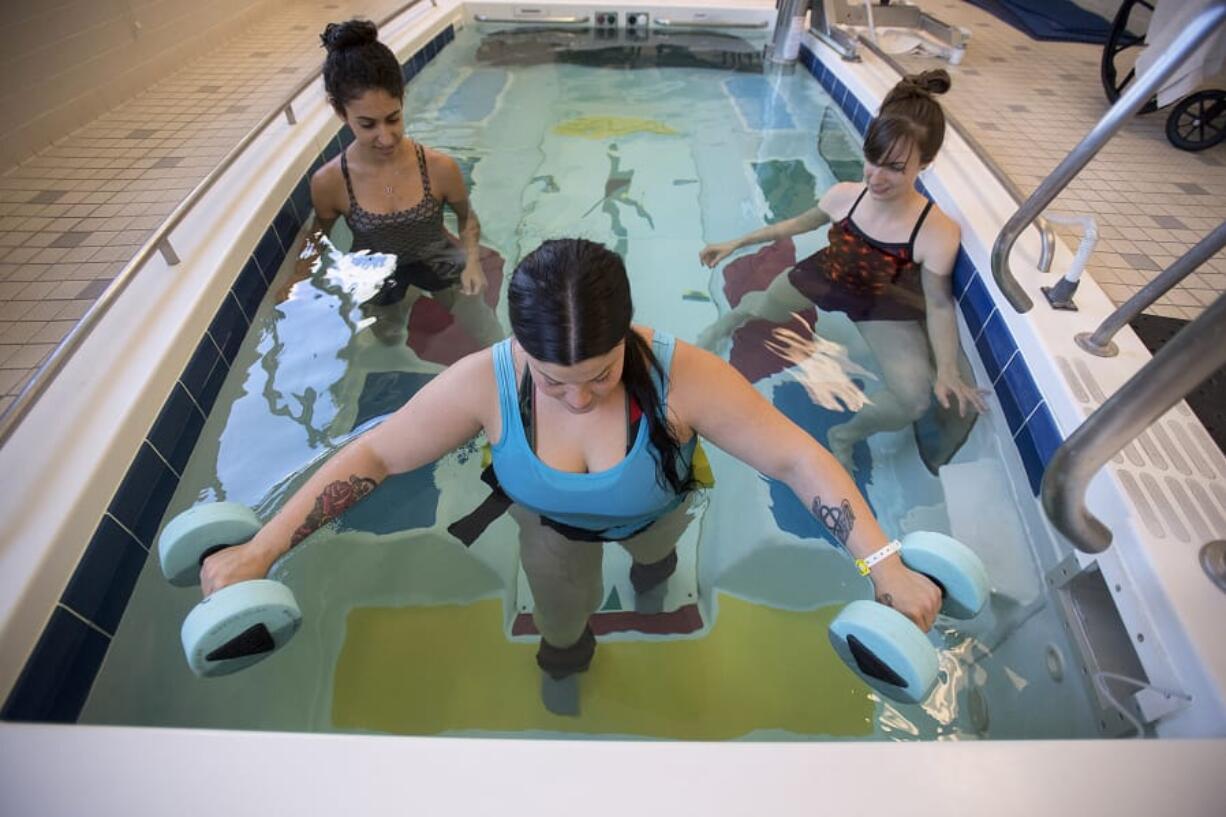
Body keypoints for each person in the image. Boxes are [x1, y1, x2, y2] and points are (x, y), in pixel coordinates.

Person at [201, 238, 942, 687]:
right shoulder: (484, 381)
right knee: (561, 627)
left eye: (601, 373)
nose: (581, 400)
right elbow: (373, 453)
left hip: (660, 506)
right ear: (521, 345)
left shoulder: (678, 374)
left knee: (655, 561)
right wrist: (263, 548)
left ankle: (652, 573)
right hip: (552, 529)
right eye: (556, 382)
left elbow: (795, 457)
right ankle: (568, 659)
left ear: (627, 333)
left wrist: (884, 561)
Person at [696, 70, 988, 466]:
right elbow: (793, 226)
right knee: (759, 308)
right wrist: (736, 243)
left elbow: (938, 305)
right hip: (825, 276)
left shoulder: (935, 232)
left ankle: (845, 433)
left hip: (880, 302)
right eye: (873, 159)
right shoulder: (845, 197)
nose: (877, 178)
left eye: (895, 168)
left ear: (927, 163)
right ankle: (724, 325)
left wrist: (948, 370)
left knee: (915, 399)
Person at [285, 19, 503, 349]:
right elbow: (319, 235)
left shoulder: (439, 167)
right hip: (375, 269)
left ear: (403, 99)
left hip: (437, 256)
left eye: (393, 118)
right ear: (340, 112)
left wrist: (472, 262)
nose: (385, 137)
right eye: (367, 124)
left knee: (486, 332)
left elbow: (467, 219)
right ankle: (403, 302)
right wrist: (298, 280)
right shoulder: (331, 182)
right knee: (388, 340)